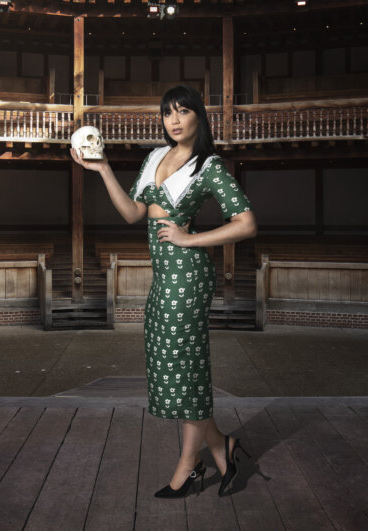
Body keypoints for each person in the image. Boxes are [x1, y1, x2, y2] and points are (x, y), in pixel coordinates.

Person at [70, 84, 257, 498]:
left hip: (188, 276)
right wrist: (101, 169)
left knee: (184, 367)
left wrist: (191, 239)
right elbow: (134, 213)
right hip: (165, 277)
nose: (173, 120)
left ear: (198, 118)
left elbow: (246, 223)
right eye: (168, 112)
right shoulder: (155, 157)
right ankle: (221, 447)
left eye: (183, 112)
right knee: (171, 363)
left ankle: (189, 467)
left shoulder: (208, 166)